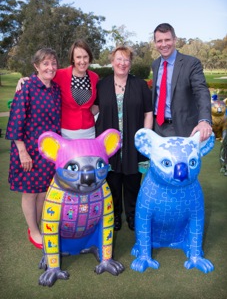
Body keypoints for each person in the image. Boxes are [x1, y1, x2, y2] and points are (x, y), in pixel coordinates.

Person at [91, 46, 153, 231]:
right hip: (109, 147)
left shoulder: (140, 85)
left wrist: (144, 138)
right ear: (112, 61)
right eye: (119, 59)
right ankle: (115, 215)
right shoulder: (102, 85)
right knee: (113, 184)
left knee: (133, 184)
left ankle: (133, 216)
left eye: (126, 60)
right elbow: (92, 109)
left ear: (130, 63)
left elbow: (148, 113)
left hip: (133, 145)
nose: (122, 63)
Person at [5, 48, 61, 249]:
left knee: (44, 192)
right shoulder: (27, 87)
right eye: (45, 63)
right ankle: (34, 230)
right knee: (30, 192)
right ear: (36, 66)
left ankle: (37, 226)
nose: (50, 67)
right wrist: (22, 151)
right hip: (28, 150)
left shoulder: (55, 89)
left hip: (48, 152)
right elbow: (16, 120)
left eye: (53, 63)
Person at [16, 39, 99, 139]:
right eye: (78, 57)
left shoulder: (94, 78)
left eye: (85, 57)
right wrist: (27, 79)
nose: (82, 61)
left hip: (89, 131)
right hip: (66, 132)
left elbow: (97, 102)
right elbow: (42, 77)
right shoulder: (60, 75)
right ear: (73, 59)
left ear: (89, 58)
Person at [152, 23, 212, 141]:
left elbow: (201, 91)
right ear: (155, 43)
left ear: (175, 40)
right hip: (157, 129)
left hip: (182, 129)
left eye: (167, 40)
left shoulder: (191, 63)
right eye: (159, 41)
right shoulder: (155, 64)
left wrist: (204, 120)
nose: (163, 44)